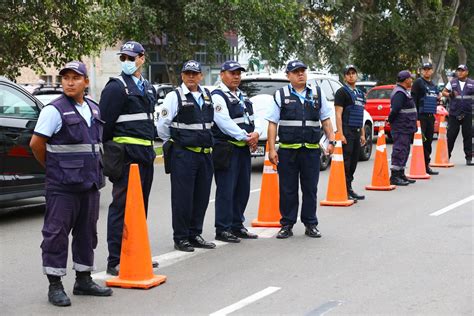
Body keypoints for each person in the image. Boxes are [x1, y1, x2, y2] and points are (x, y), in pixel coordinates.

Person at [30, 61, 112, 307]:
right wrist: (54, 168)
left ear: (86, 82)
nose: (69, 82)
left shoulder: (94, 110)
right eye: (65, 78)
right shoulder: (53, 110)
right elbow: (36, 144)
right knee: (55, 235)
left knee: (87, 234)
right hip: (62, 187)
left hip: (89, 184)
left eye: (75, 78)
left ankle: (83, 280)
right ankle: (55, 285)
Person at [98, 41, 158, 276]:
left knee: (139, 209)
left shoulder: (148, 87)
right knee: (121, 209)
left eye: (131, 58)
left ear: (143, 58)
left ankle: (136, 252)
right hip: (126, 158)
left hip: (146, 156)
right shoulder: (116, 87)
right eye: (123, 58)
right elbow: (104, 127)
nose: (127, 62)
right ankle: (115, 260)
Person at [266, 60, 336, 239]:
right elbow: (273, 123)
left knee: (310, 188)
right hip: (288, 151)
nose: (300, 74)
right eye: (295, 71)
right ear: (288, 75)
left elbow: (326, 121)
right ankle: (287, 224)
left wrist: (331, 141)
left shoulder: (317, 94)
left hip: (311, 150)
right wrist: (272, 149)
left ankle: (310, 223)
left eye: (303, 71)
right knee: (287, 189)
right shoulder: (280, 94)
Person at [157, 60, 216, 252]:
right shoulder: (175, 96)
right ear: (182, 76)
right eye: (187, 73)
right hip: (184, 155)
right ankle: (181, 237)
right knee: (183, 198)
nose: (191, 77)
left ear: (201, 76)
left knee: (201, 196)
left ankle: (194, 233)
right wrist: (173, 144)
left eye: (195, 73)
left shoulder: (207, 96)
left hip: (205, 155)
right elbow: (163, 126)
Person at [211, 61, 261, 243]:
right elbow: (223, 122)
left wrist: (256, 134)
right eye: (232, 73)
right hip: (227, 148)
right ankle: (222, 228)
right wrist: (245, 137)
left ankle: (237, 224)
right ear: (222, 74)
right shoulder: (217, 96)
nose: (236, 76)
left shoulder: (242, 97)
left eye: (239, 73)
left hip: (243, 149)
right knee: (226, 189)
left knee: (242, 188)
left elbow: (253, 119)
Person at [334, 65, 366, 201]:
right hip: (347, 130)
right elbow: (338, 114)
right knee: (346, 163)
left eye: (353, 73)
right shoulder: (342, 92)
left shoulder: (360, 93)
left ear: (357, 75)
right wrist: (340, 134)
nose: (351, 75)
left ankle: (349, 187)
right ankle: (343, 189)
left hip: (357, 130)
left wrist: (363, 134)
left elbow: (361, 114)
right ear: (344, 77)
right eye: (348, 74)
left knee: (353, 162)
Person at [388, 70, 417, 186]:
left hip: (406, 126)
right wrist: (390, 120)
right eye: (410, 78)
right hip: (401, 127)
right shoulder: (400, 93)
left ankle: (401, 173)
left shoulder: (404, 91)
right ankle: (395, 176)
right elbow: (395, 109)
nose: (412, 80)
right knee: (399, 150)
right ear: (406, 80)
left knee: (404, 150)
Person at [411, 62, 440, 175]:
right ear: (421, 71)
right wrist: (415, 117)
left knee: (428, 142)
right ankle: (420, 166)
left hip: (430, 117)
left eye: (429, 69)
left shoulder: (433, 84)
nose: (426, 71)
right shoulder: (418, 82)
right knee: (421, 142)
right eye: (425, 69)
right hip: (421, 117)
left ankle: (426, 165)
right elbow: (413, 100)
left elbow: (435, 99)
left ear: (432, 71)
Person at [442, 64, 473, 165]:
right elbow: (443, 92)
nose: (460, 72)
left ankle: (469, 158)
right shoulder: (452, 82)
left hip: (467, 113)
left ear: (466, 72)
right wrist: (449, 94)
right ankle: (446, 157)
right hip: (454, 113)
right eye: (458, 70)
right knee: (451, 135)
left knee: (467, 136)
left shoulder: (472, 83)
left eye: (462, 71)